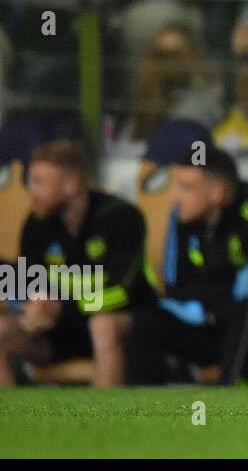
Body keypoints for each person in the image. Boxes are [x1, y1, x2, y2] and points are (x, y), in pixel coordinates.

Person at [0, 140, 152, 387]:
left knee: (102, 326)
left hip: (121, 329)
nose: (31, 192)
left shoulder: (122, 218)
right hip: (62, 330)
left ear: (71, 186)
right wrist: (33, 310)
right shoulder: (37, 223)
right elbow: (27, 282)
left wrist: (62, 308)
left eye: (39, 183)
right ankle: (11, 421)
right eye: (30, 182)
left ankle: (105, 419)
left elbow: (123, 292)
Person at [125, 148, 248, 384]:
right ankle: (147, 404)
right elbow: (175, 287)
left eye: (186, 187)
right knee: (145, 321)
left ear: (218, 193)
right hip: (206, 323)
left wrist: (217, 304)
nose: (175, 197)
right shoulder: (182, 219)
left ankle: (233, 393)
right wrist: (211, 309)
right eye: (174, 186)